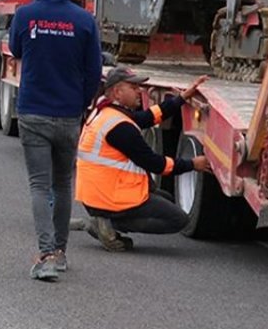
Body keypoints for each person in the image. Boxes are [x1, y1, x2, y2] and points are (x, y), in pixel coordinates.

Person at [9, 0, 103, 281]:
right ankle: (60, 253)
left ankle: (45, 253)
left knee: (39, 184)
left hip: (33, 110)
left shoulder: (25, 14)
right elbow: (94, 71)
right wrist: (82, 104)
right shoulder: (85, 20)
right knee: (63, 184)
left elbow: (15, 49)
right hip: (68, 114)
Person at [76, 67, 211, 251]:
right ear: (117, 92)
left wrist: (181, 99)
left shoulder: (105, 112)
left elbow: (146, 118)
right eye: (133, 87)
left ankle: (106, 220)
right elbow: (155, 164)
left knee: (166, 198)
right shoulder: (120, 127)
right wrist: (193, 164)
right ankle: (108, 224)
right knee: (179, 219)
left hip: (97, 194)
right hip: (108, 197)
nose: (139, 91)